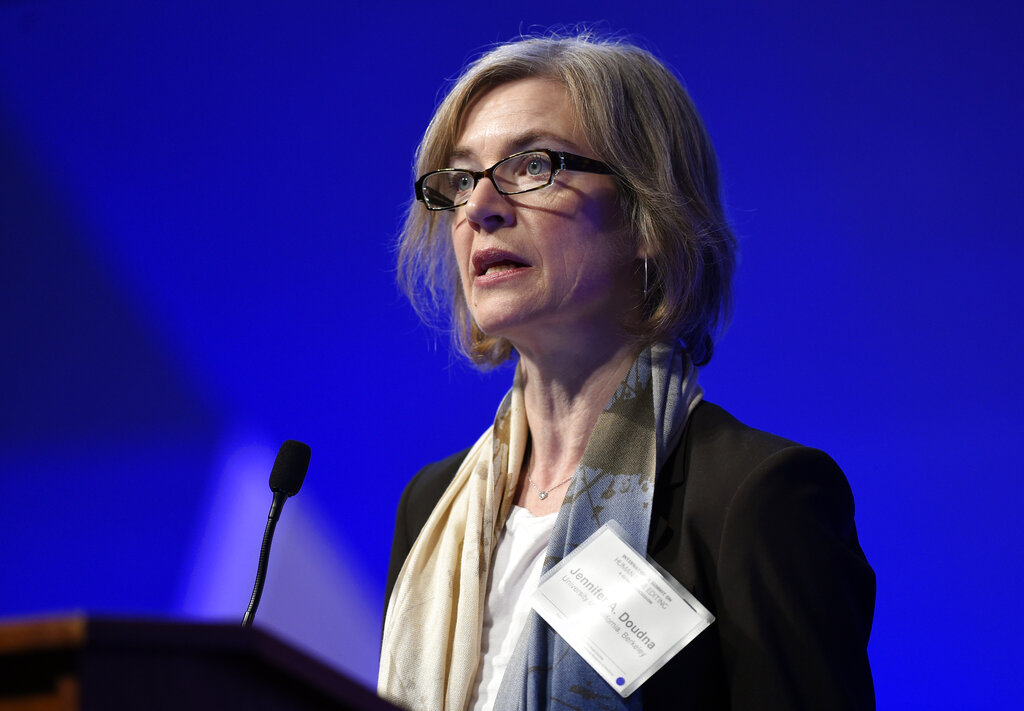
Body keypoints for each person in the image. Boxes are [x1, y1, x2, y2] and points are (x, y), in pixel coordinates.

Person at [378, 33, 875, 711]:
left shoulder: (753, 499)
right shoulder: (432, 507)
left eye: (532, 165)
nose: (480, 208)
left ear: (650, 217)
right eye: (461, 179)